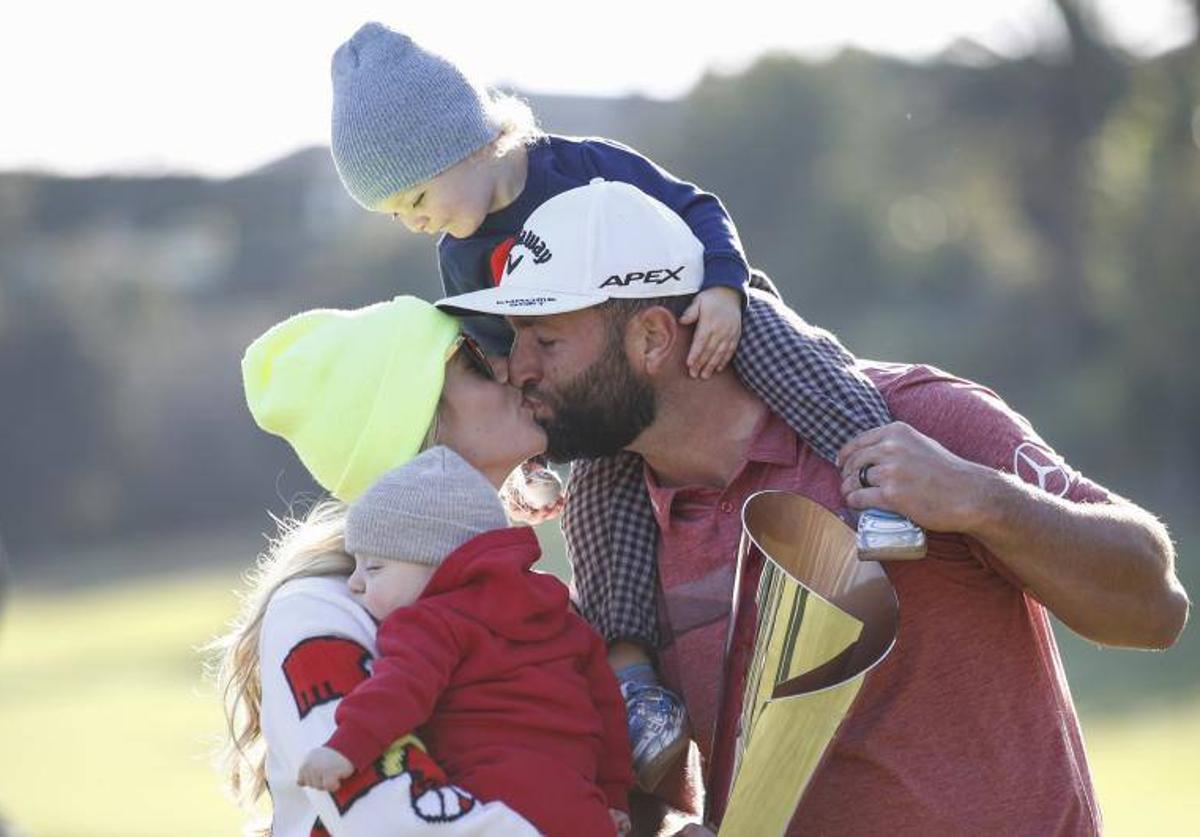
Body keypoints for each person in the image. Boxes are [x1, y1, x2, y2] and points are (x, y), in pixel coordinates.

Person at [437, 180, 1191, 835]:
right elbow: (635, 786)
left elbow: (1153, 605)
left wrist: (980, 498)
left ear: (653, 337)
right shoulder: (614, 539)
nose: (520, 367)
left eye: (547, 339)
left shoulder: (917, 419)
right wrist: (667, 828)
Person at [327, 21, 924, 789]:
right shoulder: (459, 255)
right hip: (602, 390)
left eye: (415, 196)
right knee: (599, 512)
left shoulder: (582, 167)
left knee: (793, 360)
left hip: (697, 313)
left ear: (463, 145)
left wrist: (721, 287)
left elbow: (695, 205)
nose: (414, 221)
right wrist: (535, 456)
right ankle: (635, 685)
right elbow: (508, 362)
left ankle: (885, 484)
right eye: (396, 214)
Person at [211, 296, 609, 836]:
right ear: (420, 426)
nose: (510, 369)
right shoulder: (320, 608)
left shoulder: (527, 596)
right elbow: (393, 819)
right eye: (473, 362)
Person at [294, 445, 635, 837]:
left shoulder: (430, 622)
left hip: (492, 803)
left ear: (441, 562)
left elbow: (400, 689)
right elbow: (608, 710)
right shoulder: (560, 617)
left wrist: (345, 748)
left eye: (374, 567)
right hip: (581, 809)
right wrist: (612, 798)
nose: (354, 583)